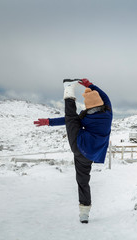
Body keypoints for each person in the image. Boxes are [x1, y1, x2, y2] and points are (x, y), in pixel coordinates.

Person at [34, 78, 113, 224]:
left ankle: (84, 212)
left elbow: (70, 119)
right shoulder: (108, 113)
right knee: (84, 180)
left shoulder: (86, 117)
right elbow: (105, 96)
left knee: (82, 182)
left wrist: (49, 122)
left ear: (88, 106)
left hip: (80, 146)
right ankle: (84, 213)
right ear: (101, 102)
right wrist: (91, 85)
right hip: (91, 155)